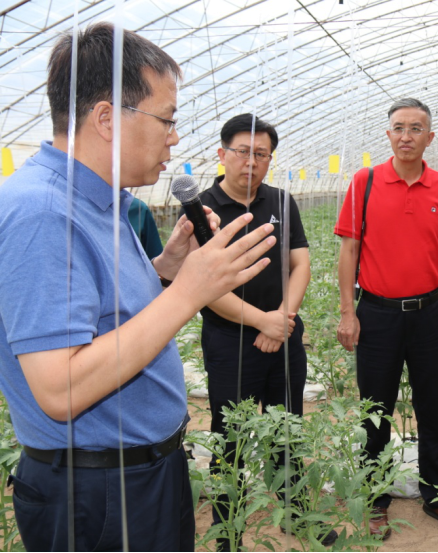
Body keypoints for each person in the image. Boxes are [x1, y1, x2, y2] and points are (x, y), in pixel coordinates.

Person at [0, 23, 275, 552]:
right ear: (107, 118)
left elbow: (100, 312)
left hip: (141, 475)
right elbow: (61, 389)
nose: (175, 136)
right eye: (167, 119)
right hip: (97, 491)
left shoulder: (107, 203)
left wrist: (166, 268)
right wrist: (186, 294)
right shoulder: (41, 212)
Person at [194, 114, 335, 548]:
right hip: (229, 341)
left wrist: (282, 319)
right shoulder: (204, 209)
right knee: (229, 436)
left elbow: (301, 263)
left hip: (284, 334)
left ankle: (295, 514)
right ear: (222, 154)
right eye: (242, 152)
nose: (251, 162)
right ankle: (228, 529)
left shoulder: (281, 201)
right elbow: (203, 288)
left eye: (261, 154)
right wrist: (262, 322)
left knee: (288, 429)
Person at [335, 98, 438, 539]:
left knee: (432, 409)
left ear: (430, 137)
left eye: (416, 128)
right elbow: (349, 250)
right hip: (376, 314)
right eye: (399, 127)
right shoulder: (365, 182)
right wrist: (347, 312)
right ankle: (375, 500)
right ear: (388, 135)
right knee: (376, 411)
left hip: (429, 314)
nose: (407, 135)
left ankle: (437, 496)